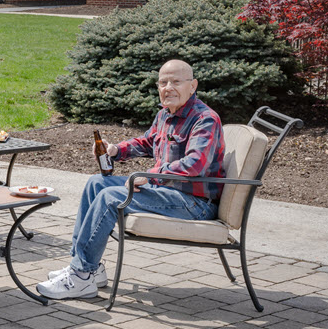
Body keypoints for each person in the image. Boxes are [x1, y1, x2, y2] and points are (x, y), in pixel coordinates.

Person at [36, 59, 226, 300]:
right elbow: (146, 142)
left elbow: (194, 164)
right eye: (163, 82)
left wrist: (149, 178)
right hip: (170, 193)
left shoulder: (204, 119)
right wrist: (116, 150)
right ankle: (88, 269)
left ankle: (80, 276)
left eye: (176, 81)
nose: (168, 87)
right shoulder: (165, 114)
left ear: (193, 85)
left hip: (195, 203)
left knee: (110, 196)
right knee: (97, 182)